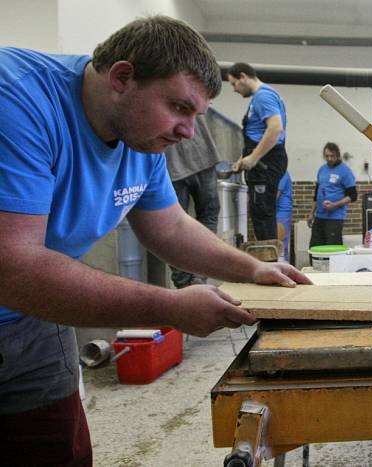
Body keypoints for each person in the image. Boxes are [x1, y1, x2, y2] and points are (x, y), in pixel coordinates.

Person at [0, 16, 310, 466]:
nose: (188, 131)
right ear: (122, 78)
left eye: (196, 115)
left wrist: (252, 268)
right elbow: (13, 268)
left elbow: (170, 227)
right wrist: (170, 307)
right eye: (180, 108)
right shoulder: (19, 100)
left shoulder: (142, 139)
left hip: (35, 323)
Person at [227, 62, 287, 241]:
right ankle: (269, 262)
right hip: (264, 162)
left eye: (234, 83)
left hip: (266, 163)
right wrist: (243, 159)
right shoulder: (261, 97)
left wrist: (253, 158)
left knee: (263, 214)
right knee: (261, 213)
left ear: (243, 77)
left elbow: (275, 128)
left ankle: (270, 264)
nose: (234, 89)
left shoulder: (263, 97)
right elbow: (258, 135)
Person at [164, 114, 220, 287]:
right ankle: (195, 277)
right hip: (198, 156)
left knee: (172, 226)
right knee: (204, 218)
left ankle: (187, 280)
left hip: (174, 161)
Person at [307, 142, 357, 247]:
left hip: (335, 217)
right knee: (315, 246)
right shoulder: (322, 169)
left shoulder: (345, 171)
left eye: (332, 156)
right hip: (320, 215)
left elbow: (352, 196)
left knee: (333, 247)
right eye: (327, 156)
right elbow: (317, 194)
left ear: (338, 155)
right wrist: (312, 213)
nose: (329, 158)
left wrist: (335, 205)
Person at [276, 171, 293, 261]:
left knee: (281, 240)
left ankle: (283, 265)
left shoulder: (282, 173)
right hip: (273, 210)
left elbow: (276, 195)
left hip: (282, 211)